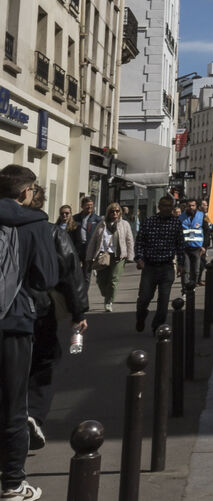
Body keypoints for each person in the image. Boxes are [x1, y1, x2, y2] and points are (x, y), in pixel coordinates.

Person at [0, 166, 58, 501]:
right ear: (26, 192)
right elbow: (47, 277)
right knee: (14, 403)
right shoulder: (35, 224)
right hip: (15, 321)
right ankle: (12, 483)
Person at [24, 187, 86, 453]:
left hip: (12, 308)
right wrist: (78, 312)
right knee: (45, 361)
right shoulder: (52, 233)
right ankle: (33, 415)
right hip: (40, 308)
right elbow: (70, 273)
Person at [133, 195, 182, 333]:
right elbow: (139, 242)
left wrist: (181, 264)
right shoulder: (149, 222)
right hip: (150, 267)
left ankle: (158, 326)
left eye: (169, 206)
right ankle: (141, 315)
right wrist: (139, 258)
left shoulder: (176, 223)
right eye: (164, 206)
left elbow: (180, 245)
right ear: (159, 207)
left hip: (167, 267)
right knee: (144, 298)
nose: (167, 208)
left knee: (164, 300)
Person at [85, 204, 134, 313]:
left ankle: (108, 302)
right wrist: (89, 256)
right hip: (103, 255)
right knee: (101, 280)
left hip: (118, 256)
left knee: (113, 280)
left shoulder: (124, 224)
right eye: (112, 211)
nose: (115, 213)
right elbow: (93, 241)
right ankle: (107, 294)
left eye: (117, 211)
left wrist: (130, 256)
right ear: (108, 213)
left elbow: (129, 240)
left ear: (120, 212)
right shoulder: (102, 224)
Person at [178, 198, 205, 291]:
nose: (191, 207)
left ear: (196, 206)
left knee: (196, 271)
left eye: (193, 205)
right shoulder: (181, 217)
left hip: (197, 248)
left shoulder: (201, 216)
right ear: (186, 206)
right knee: (185, 271)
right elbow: (177, 233)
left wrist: (204, 246)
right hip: (185, 248)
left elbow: (207, 231)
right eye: (189, 206)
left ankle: (192, 288)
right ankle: (185, 290)